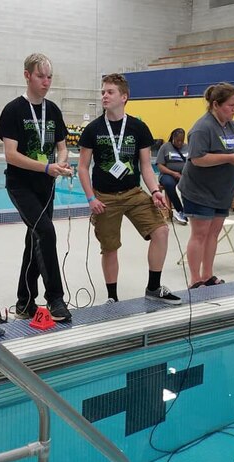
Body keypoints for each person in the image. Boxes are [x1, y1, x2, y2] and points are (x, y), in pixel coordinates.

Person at [77, 73, 181, 306]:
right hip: (104, 197)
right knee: (110, 248)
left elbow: (146, 165)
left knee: (161, 231)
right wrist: (91, 198)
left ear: (124, 97)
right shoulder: (93, 129)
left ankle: (154, 288)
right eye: (103, 91)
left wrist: (155, 191)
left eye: (110, 92)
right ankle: (112, 297)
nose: (104, 95)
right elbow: (83, 168)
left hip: (134, 193)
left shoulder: (138, 127)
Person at [0, 53, 72, 322]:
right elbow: (11, 155)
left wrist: (60, 164)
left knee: (34, 240)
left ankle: (25, 302)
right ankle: (55, 298)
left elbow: (62, 148)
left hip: (46, 185)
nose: (46, 82)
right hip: (21, 185)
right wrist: (47, 167)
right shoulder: (13, 110)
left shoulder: (53, 110)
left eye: (49, 77)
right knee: (46, 233)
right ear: (27, 75)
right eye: (41, 76)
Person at [177, 82, 234, 288]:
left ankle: (208, 275)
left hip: (221, 191)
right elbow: (197, 159)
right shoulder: (202, 128)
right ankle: (195, 279)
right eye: (230, 105)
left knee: (214, 233)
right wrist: (228, 158)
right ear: (216, 104)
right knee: (200, 234)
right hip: (199, 190)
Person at [156, 128, 188, 225]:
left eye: (181, 141)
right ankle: (180, 211)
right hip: (167, 174)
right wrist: (173, 173)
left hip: (184, 175)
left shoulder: (188, 147)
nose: (179, 143)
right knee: (169, 184)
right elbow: (160, 166)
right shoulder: (165, 147)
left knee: (192, 185)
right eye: (177, 140)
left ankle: (190, 210)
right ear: (172, 138)